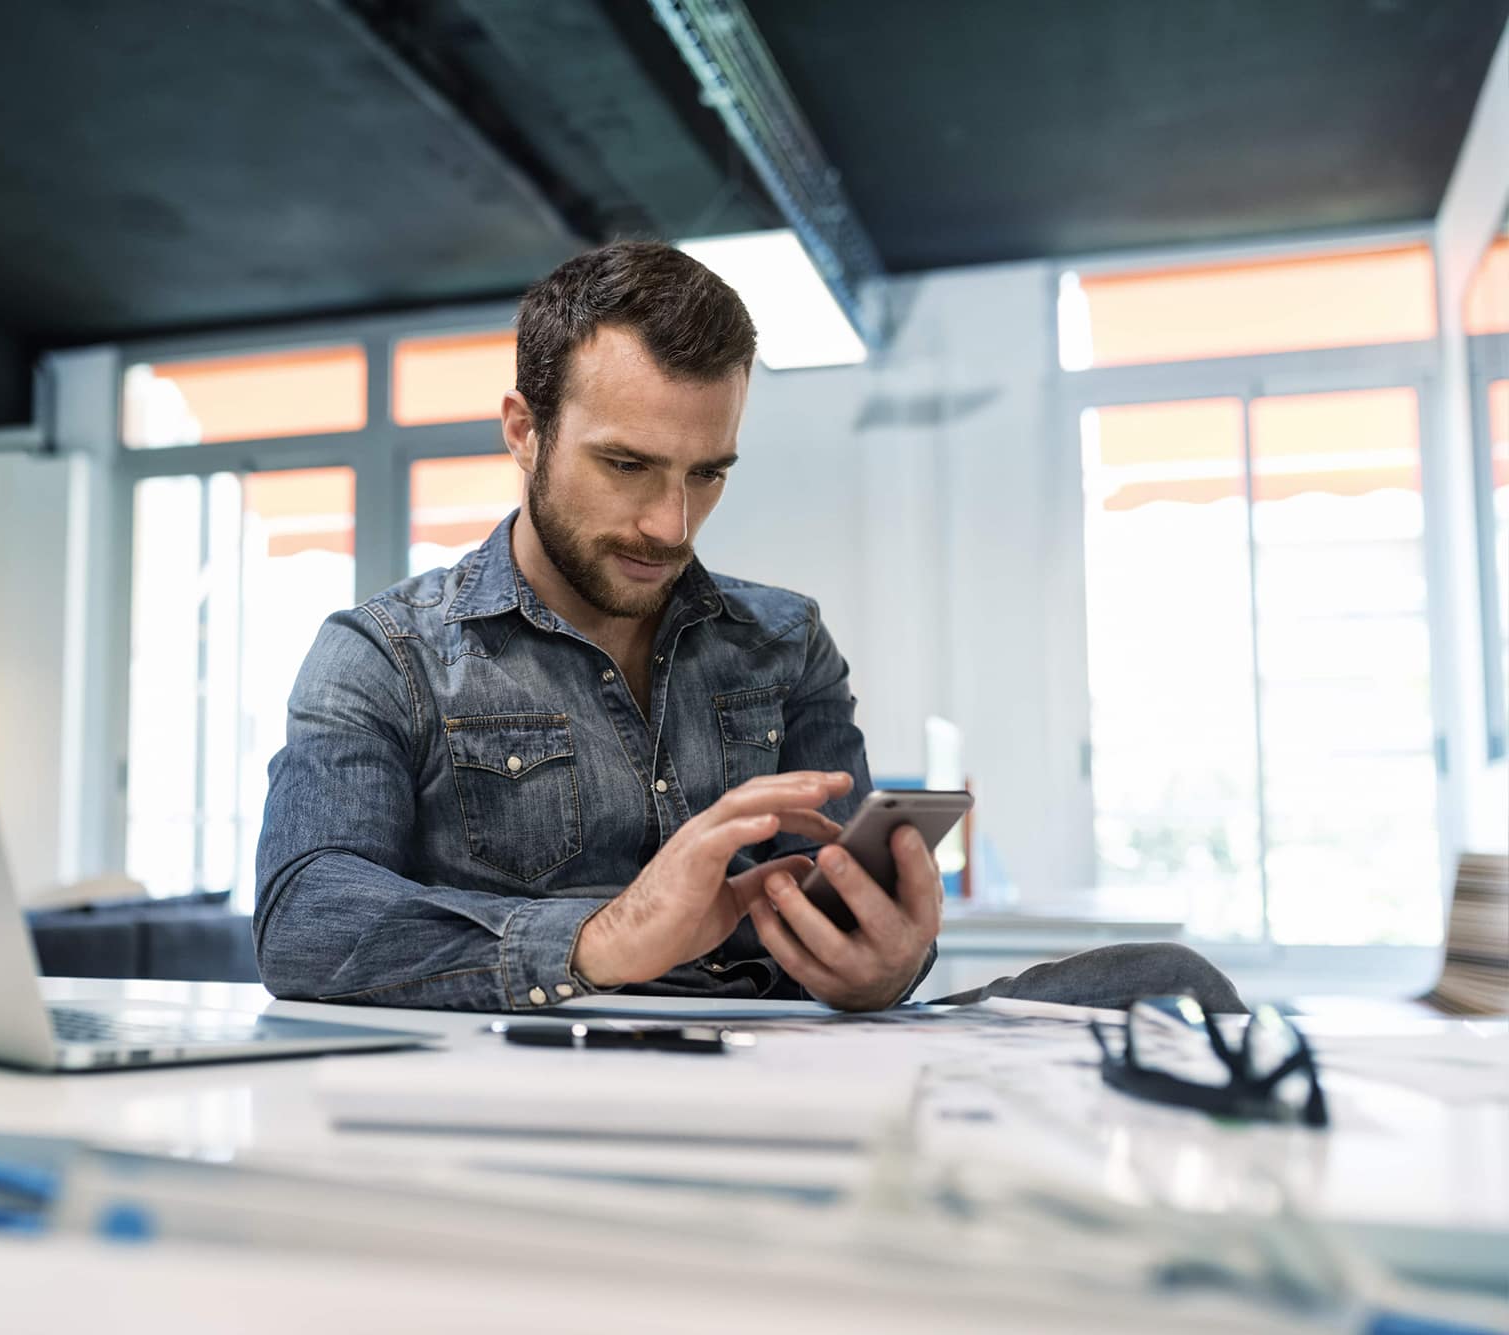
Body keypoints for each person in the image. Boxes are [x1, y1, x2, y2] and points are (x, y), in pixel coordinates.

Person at [253, 240, 1243, 1015]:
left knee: (1165, 981)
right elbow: (303, 922)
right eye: (627, 466)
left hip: (779, 1052)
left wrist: (882, 965)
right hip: (547, 1057)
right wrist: (602, 938)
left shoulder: (783, 642)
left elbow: (858, 915)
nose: (669, 525)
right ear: (523, 429)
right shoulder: (382, 656)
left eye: (706, 473)